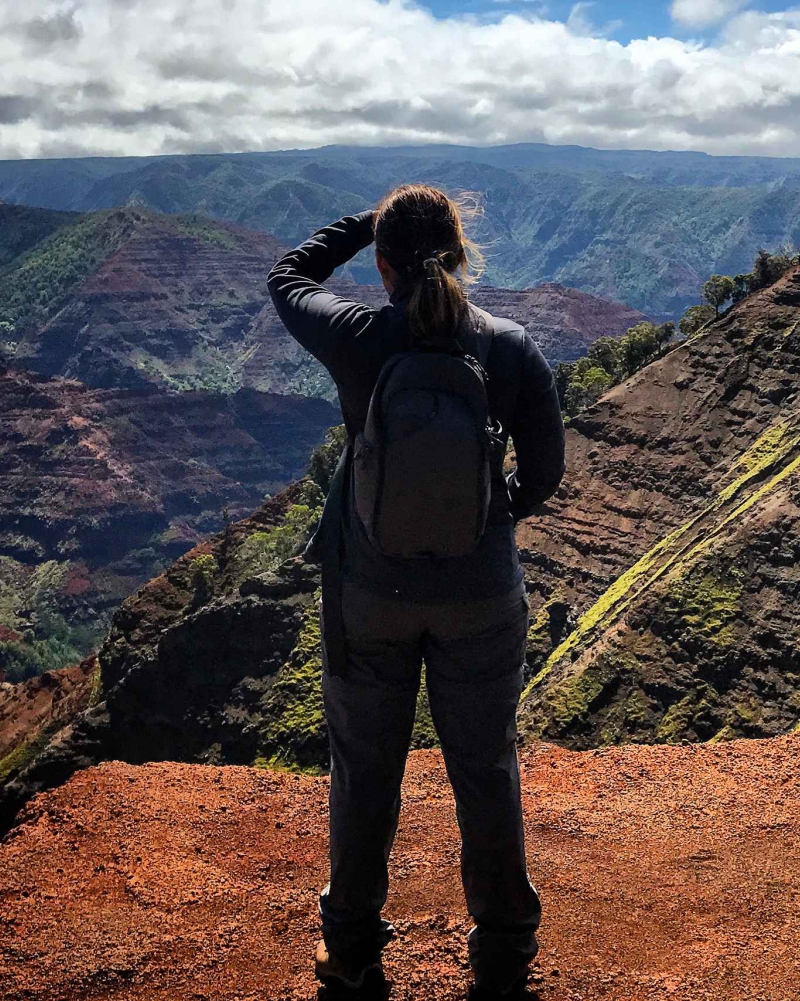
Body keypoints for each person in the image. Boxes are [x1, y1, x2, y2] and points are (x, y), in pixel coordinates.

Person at [268, 184, 565, 998]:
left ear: (384, 265)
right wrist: (492, 517)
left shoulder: (359, 335)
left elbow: (288, 276)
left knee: (365, 770)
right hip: (481, 594)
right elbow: (546, 472)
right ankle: (503, 953)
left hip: (370, 591)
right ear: (461, 254)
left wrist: (363, 226)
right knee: (484, 768)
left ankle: (354, 950)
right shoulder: (511, 349)